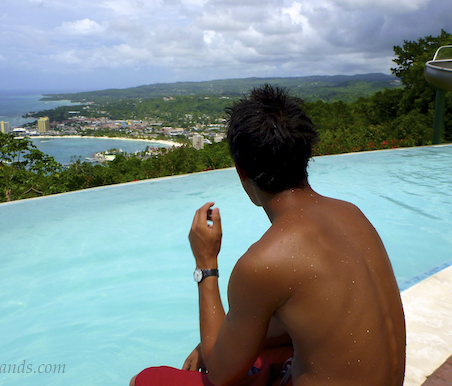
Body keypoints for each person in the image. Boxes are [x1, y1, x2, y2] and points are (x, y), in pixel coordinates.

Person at [131, 84, 406, 386]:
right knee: (268, 348)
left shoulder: (265, 261)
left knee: (146, 379)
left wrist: (205, 264)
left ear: (242, 173)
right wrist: (222, 340)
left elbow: (221, 373)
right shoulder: (353, 215)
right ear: (305, 155)